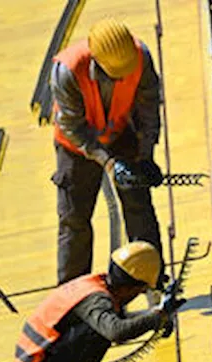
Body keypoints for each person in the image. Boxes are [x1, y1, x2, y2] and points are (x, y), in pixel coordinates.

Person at [13, 241, 182, 362]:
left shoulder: (98, 286)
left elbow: (122, 319)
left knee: (102, 325)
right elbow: (117, 331)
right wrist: (156, 316)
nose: (139, 295)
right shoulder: (96, 300)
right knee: (99, 332)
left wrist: (156, 317)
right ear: (129, 287)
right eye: (141, 290)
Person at [51, 19, 164, 285]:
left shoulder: (140, 58)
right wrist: (110, 163)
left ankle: (151, 275)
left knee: (139, 205)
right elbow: (71, 125)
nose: (122, 79)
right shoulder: (67, 71)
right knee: (74, 221)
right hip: (76, 147)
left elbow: (149, 108)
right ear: (96, 62)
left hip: (119, 130)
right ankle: (72, 292)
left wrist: (146, 155)